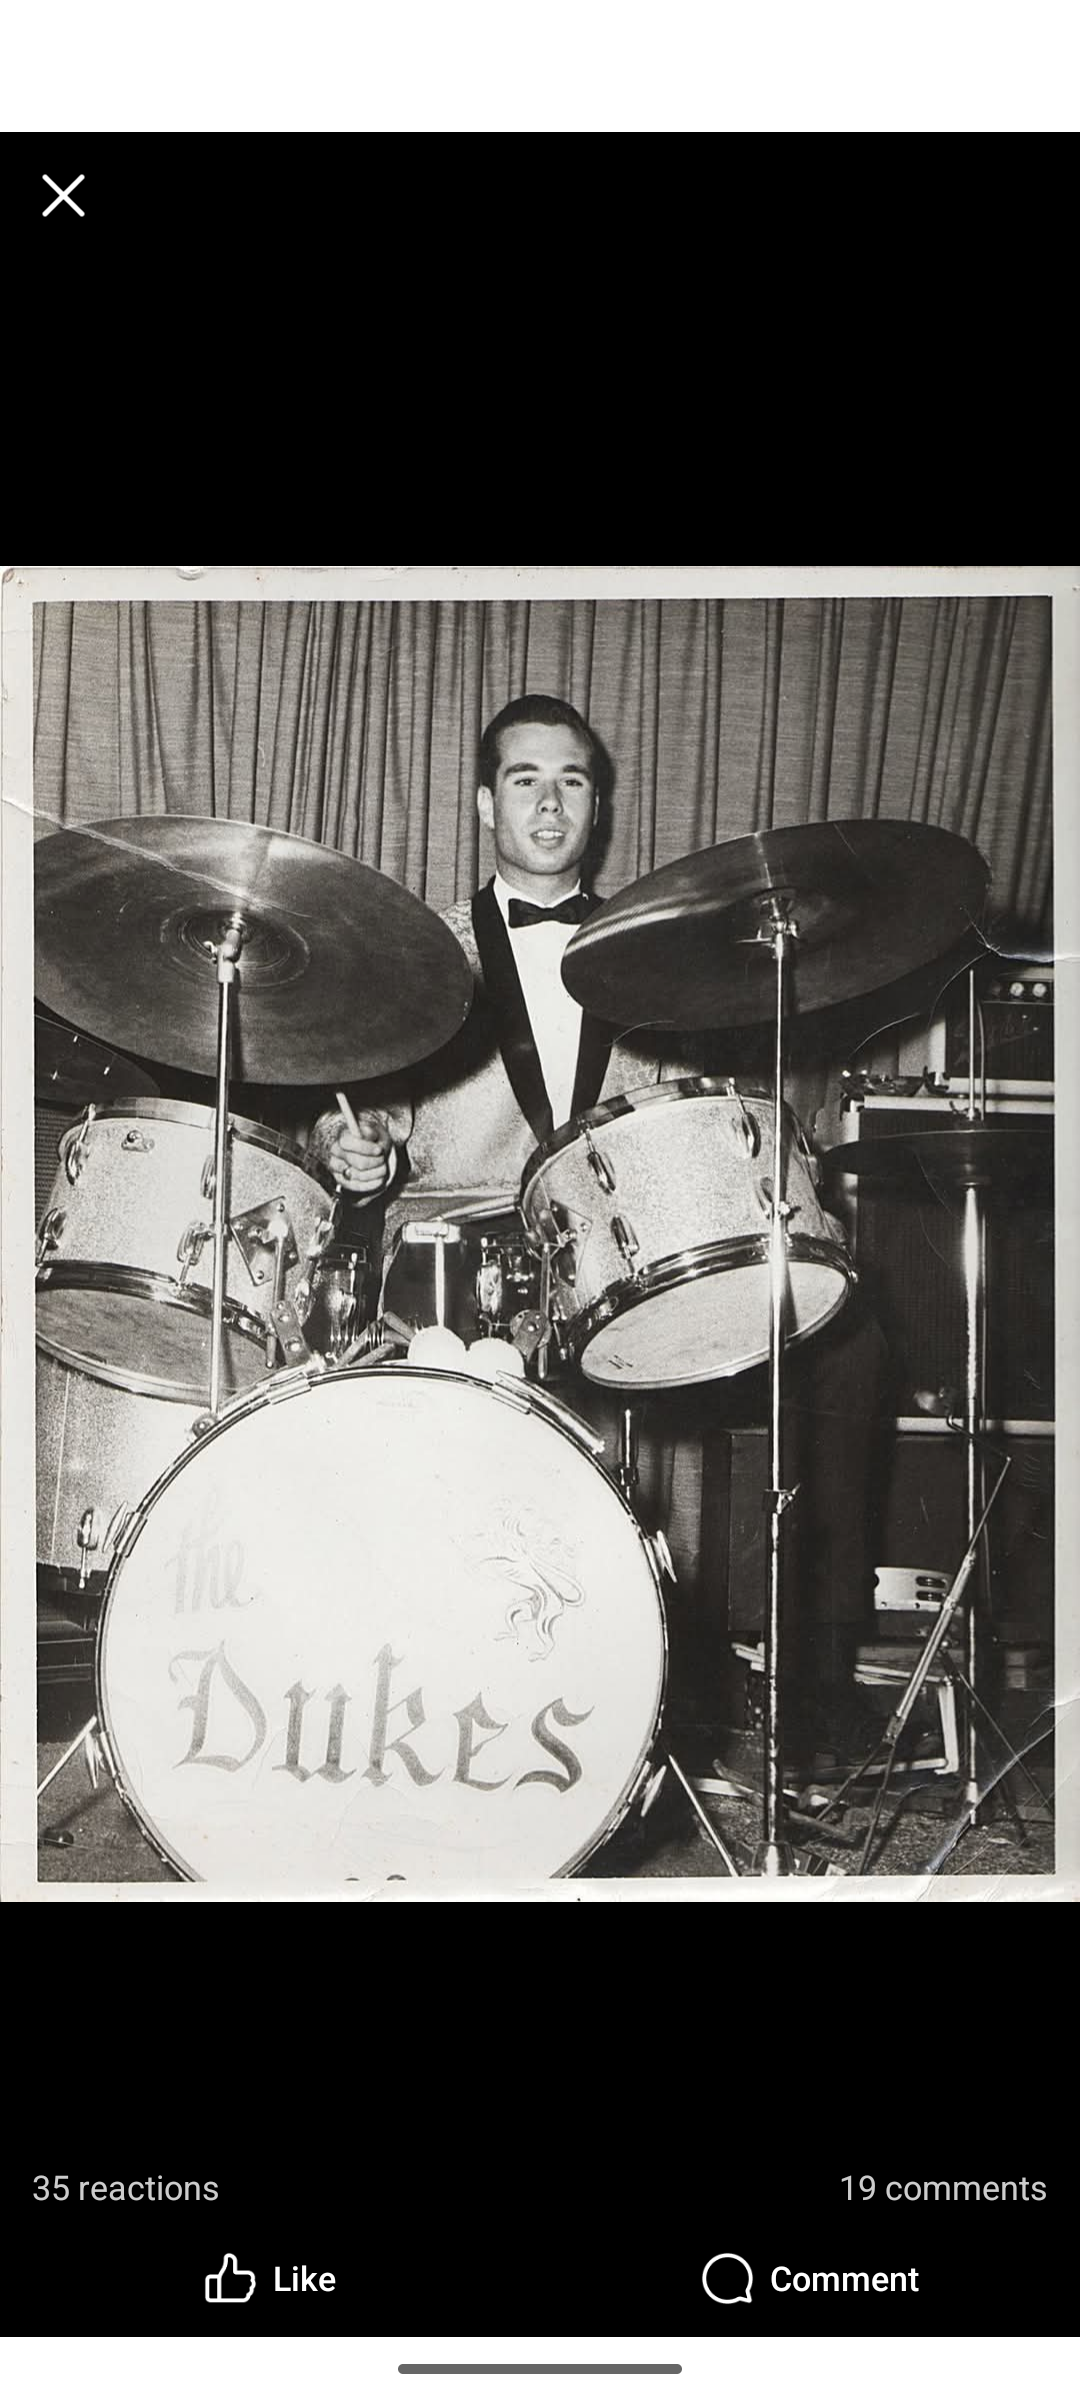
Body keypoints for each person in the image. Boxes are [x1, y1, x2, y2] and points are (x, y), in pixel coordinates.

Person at [307, 694, 887, 1780]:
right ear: (486, 804)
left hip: (624, 1257)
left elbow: (702, 1127)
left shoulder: (662, 951)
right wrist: (363, 1151)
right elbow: (367, 1119)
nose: (549, 802)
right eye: (525, 779)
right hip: (462, 1247)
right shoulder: (424, 951)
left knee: (845, 1337)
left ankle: (798, 1685)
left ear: (598, 805)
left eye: (571, 780)